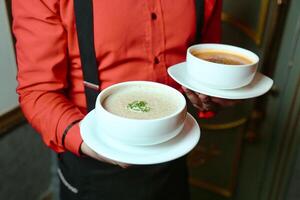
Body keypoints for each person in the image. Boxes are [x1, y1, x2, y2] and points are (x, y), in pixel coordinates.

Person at [12, 0, 237, 199]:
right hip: (92, 165)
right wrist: (90, 142)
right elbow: (38, 91)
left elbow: (203, 66)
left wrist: (213, 94)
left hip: (172, 154)